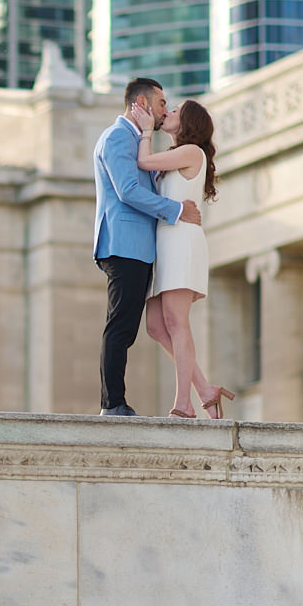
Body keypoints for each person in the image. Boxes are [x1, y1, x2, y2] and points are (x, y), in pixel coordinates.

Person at [93, 77, 202, 416]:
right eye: (159, 104)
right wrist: (176, 210)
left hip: (140, 247)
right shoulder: (116, 137)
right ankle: (113, 404)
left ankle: (118, 402)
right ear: (141, 104)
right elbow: (127, 190)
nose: (162, 110)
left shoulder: (136, 140)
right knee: (121, 326)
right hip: (124, 245)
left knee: (129, 327)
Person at [132, 97, 234, 419]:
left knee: (176, 322)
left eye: (175, 110)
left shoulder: (191, 152)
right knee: (155, 327)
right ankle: (205, 389)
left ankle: (184, 403)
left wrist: (147, 131)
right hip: (165, 242)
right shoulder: (178, 155)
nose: (169, 112)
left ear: (188, 122)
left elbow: (144, 162)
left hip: (181, 242)